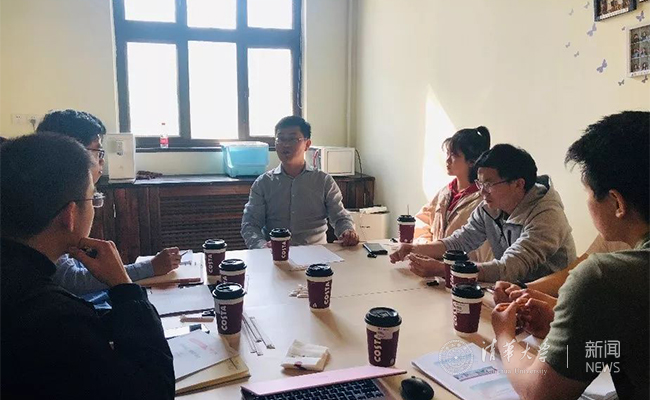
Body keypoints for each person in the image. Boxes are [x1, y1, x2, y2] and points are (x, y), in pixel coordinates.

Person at [0, 133, 174, 399]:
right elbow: (154, 390)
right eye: (93, 197)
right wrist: (125, 289)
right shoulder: (56, 317)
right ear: (69, 215)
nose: (95, 206)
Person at [491, 111, 649, 399]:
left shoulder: (605, 276)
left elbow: (538, 392)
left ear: (617, 202)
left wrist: (504, 336)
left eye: (587, 192)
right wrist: (566, 321)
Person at [36, 109, 180, 297]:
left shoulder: (52, 198)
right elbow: (72, 280)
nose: (102, 160)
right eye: (98, 151)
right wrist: (149, 268)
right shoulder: (50, 210)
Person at [390, 144, 576, 283]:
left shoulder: (547, 216)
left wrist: (443, 269)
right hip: (511, 292)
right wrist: (413, 249)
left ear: (518, 184)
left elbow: (509, 268)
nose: (482, 191)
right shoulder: (490, 206)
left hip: (548, 301)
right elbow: (459, 242)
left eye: (489, 183)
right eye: (480, 183)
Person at [241, 116, 359, 249]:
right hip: (275, 253)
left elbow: (340, 217)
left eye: (292, 139)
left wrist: (347, 231)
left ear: (307, 144)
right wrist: (262, 246)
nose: (285, 145)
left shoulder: (324, 181)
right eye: (281, 139)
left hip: (316, 254)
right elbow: (250, 225)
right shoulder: (263, 183)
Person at [413, 126, 493, 262]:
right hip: (433, 265)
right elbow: (423, 221)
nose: (448, 160)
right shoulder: (446, 192)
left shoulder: (483, 200)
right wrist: (426, 247)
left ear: (472, 162)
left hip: (462, 269)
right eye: (448, 154)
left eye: (454, 155)